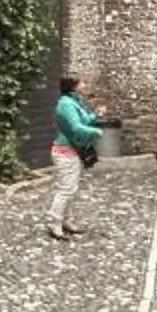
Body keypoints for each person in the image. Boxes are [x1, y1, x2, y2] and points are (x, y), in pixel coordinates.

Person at [48, 73, 101, 240]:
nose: (84, 84)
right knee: (66, 189)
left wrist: (95, 116)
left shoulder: (73, 101)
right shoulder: (66, 104)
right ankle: (54, 223)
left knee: (71, 189)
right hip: (65, 151)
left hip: (73, 151)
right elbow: (76, 127)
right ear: (73, 86)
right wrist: (96, 131)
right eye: (81, 82)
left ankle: (66, 221)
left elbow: (83, 121)